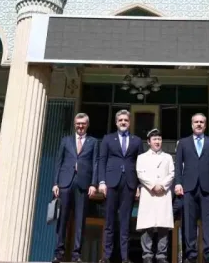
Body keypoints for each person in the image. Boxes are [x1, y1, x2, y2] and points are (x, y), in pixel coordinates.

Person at [174, 113, 209, 263]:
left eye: (202, 122)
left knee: (208, 222)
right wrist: (178, 183)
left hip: (207, 187)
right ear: (192, 124)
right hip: (188, 187)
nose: (199, 124)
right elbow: (178, 165)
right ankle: (191, 254)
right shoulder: (183, 143)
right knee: (188, 222)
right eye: (196, 122)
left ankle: (208, 253)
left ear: (205, 125)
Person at [52, 113, 99, 263]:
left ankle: (76, 255)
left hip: (83, 184)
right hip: (65, 183)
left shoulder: (93, 142)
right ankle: (59, 254)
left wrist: (93, 184)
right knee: (62, 219)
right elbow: (59, 162)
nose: (80, 126)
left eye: (83, 123)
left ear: (87, 125)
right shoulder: (65, 140)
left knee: (80, 221)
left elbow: (96, 163)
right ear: (74, 124)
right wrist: (55, 183)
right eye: (78, 123)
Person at [99, 110, 143, 263]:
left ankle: (125, 257)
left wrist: (139, 185)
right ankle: (106, 256)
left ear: (129, 122)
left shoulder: (137, 141)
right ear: (116, 122)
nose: (123, 122)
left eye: (126, 120)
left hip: (129, 184)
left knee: (125, 222)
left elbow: (140, 164)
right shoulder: (107, 139)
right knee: (109, 221)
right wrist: (102, 182)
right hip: (111, 182)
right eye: (120, 120)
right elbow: (102, 160)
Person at [136, 129, 175, 263]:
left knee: (163, 225)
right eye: (154, 139)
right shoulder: (142, 157)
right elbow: (140, 173)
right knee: (147, 224)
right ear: (149, 142)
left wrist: (162, 186)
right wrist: (152, 185)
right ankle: (147, 254)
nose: (157, 142)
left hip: (163, 193)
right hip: (149, 192)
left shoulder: (168, 157)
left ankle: (161, 255)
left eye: (159, 139)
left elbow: (171, 173)